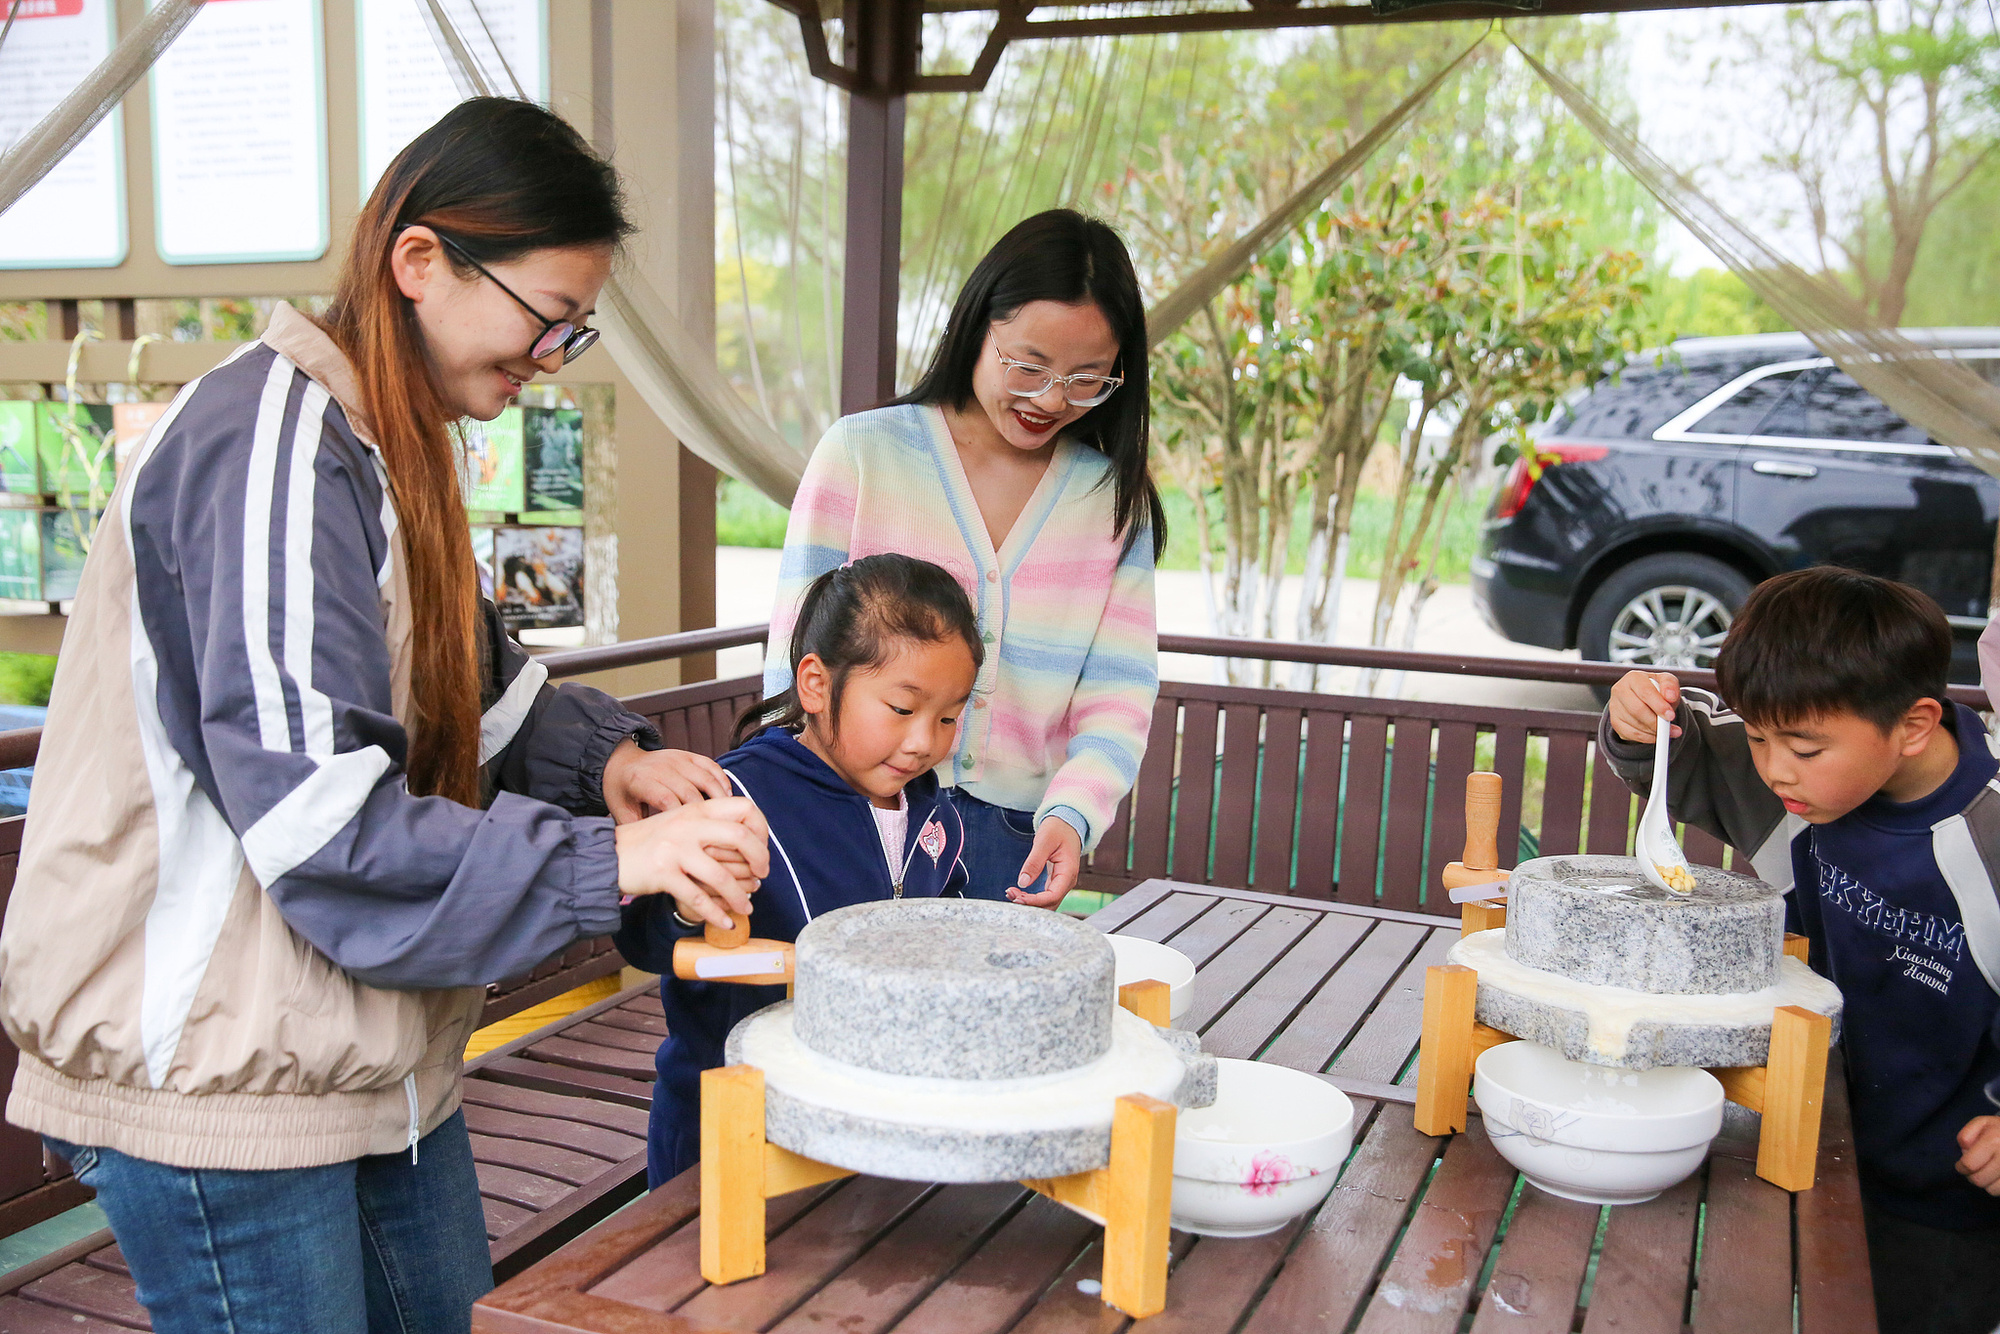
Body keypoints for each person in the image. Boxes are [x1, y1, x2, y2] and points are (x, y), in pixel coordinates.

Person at [0, 98, 768, 1334]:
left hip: (367, 1061)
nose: (548, 356)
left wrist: (613, 765)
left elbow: (473, 680)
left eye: (575, 329)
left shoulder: (392, 444)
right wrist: (611, 857)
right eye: (545, 318)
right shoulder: (268, 445)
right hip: (225, 1081)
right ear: (420, 262)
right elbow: (318, 822)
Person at [1601, 566, 2000, 1334]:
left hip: (1949, 1199)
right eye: (1758, 736)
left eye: (1805, 747)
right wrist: (1633, 721)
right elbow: (1684, 753)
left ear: (1914, 725)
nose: (1775, 768)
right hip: (1807, 1138)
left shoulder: (1988, 836)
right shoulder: (1799, 789)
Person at [767, 208, 1162, 906]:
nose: (1051, 399)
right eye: (1028, 365)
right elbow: (797, 653)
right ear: (976, 326)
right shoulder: (863, 454)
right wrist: (804, 804)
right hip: (860, 816)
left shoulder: (1110, 501)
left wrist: (1073, 813)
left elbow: (1117, 698)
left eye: (1087, 378)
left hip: (1019, 835)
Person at [618, 554, 980, 1183]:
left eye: (948, 716)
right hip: (729, 1133)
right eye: (902, 708)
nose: (925, 740)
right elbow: (646, 941)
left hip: (867, 1130)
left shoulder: (932, 814)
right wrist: (684, 903)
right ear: (815, 684)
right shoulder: (731, 802)